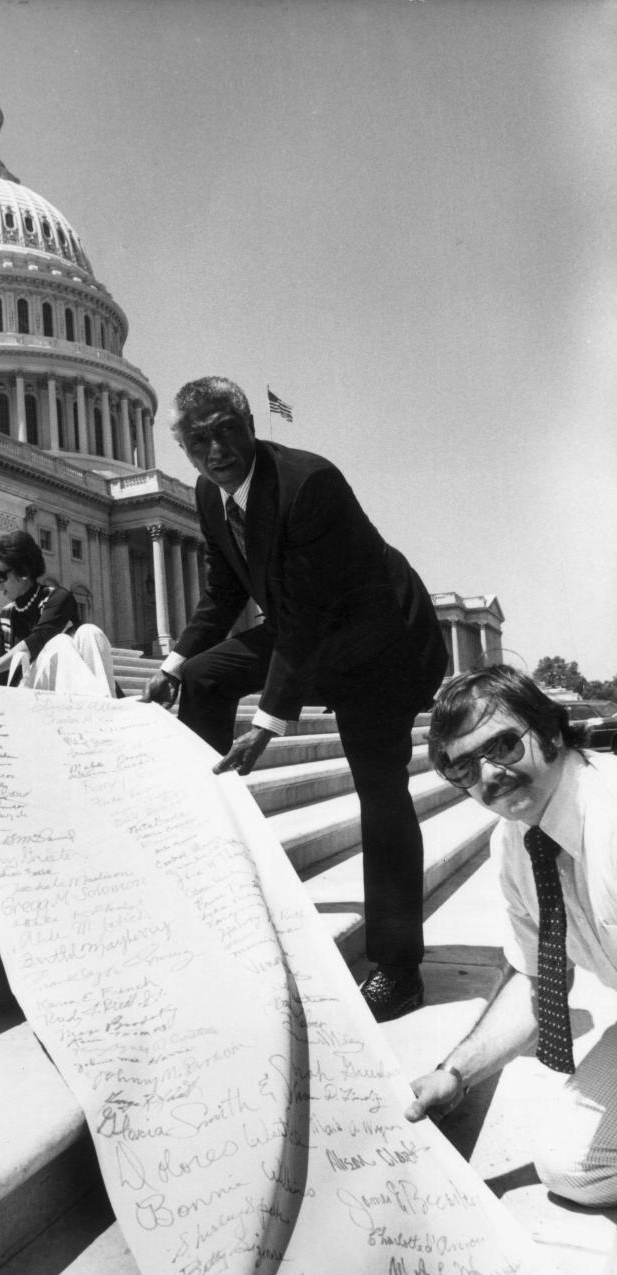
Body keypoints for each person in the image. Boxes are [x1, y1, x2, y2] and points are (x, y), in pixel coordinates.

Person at [141, 377, 447, 1022]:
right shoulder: (207, 490)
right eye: (199, 440)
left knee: (381, 794)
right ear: (183, 447)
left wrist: (271, 722)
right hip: (304, 629)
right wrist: (172, 663)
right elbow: (225, 592)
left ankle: (398, 968)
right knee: (202, 677)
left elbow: (308, 618)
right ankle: (210, 848)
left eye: (227, 430)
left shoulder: (310, 483)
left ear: (251, 425)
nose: (217, 449)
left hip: (381, 642)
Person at [406, 665, 617, 1206]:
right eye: (464, 770)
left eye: (501, 746)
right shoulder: (516, 843)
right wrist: (455, 1073)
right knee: (573, 1165)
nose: (489, 776)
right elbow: (534, 976)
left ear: (548, 731)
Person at [0, 530, 115, 696]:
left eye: (1, 576)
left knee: (89, 632)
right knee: (60, 642)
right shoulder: (6, 616)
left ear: (23, 571)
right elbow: (7, 673)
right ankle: (101, 705)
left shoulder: (57, 597)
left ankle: (106, 703)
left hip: (66, 681)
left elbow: (39, 638)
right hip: (27, 687)